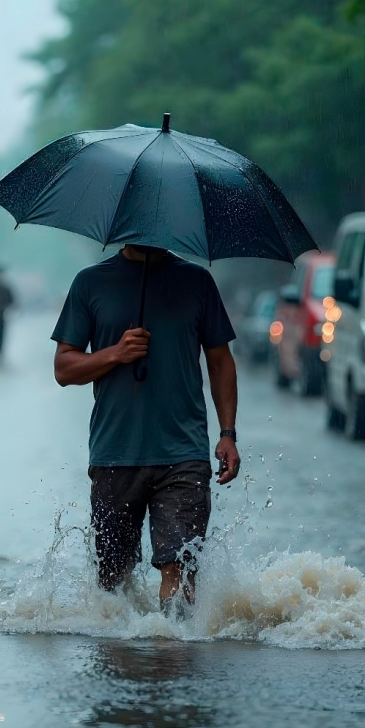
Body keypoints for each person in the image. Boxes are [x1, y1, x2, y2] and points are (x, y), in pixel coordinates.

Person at [51, 244, 240, 615]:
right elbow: (63, 368)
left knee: (181, 568)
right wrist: (116, 353)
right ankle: (124, 662)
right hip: (114, 453)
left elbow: (220, 361)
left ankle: (173, 659)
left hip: (183, 454)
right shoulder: (90, 283)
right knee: (113, 581)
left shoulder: (197, 281)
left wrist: (228, 433)